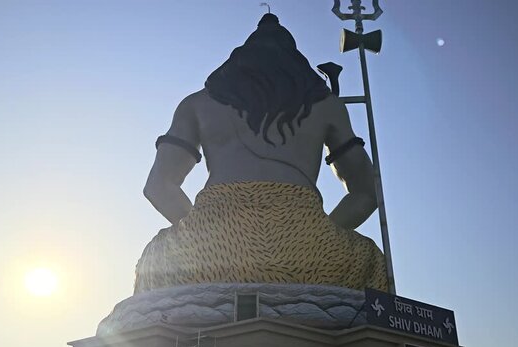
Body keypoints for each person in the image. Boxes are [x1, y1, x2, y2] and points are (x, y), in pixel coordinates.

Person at [134, 13, 388, 293]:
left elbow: (157, 186)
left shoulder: (195, 104)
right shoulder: (328, 105)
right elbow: (367, 192)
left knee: (157, 260)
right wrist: (321, 233)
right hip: (307, 246)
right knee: (369, 262)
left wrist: (201, 232)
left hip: (211, 244)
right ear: (295, 59)